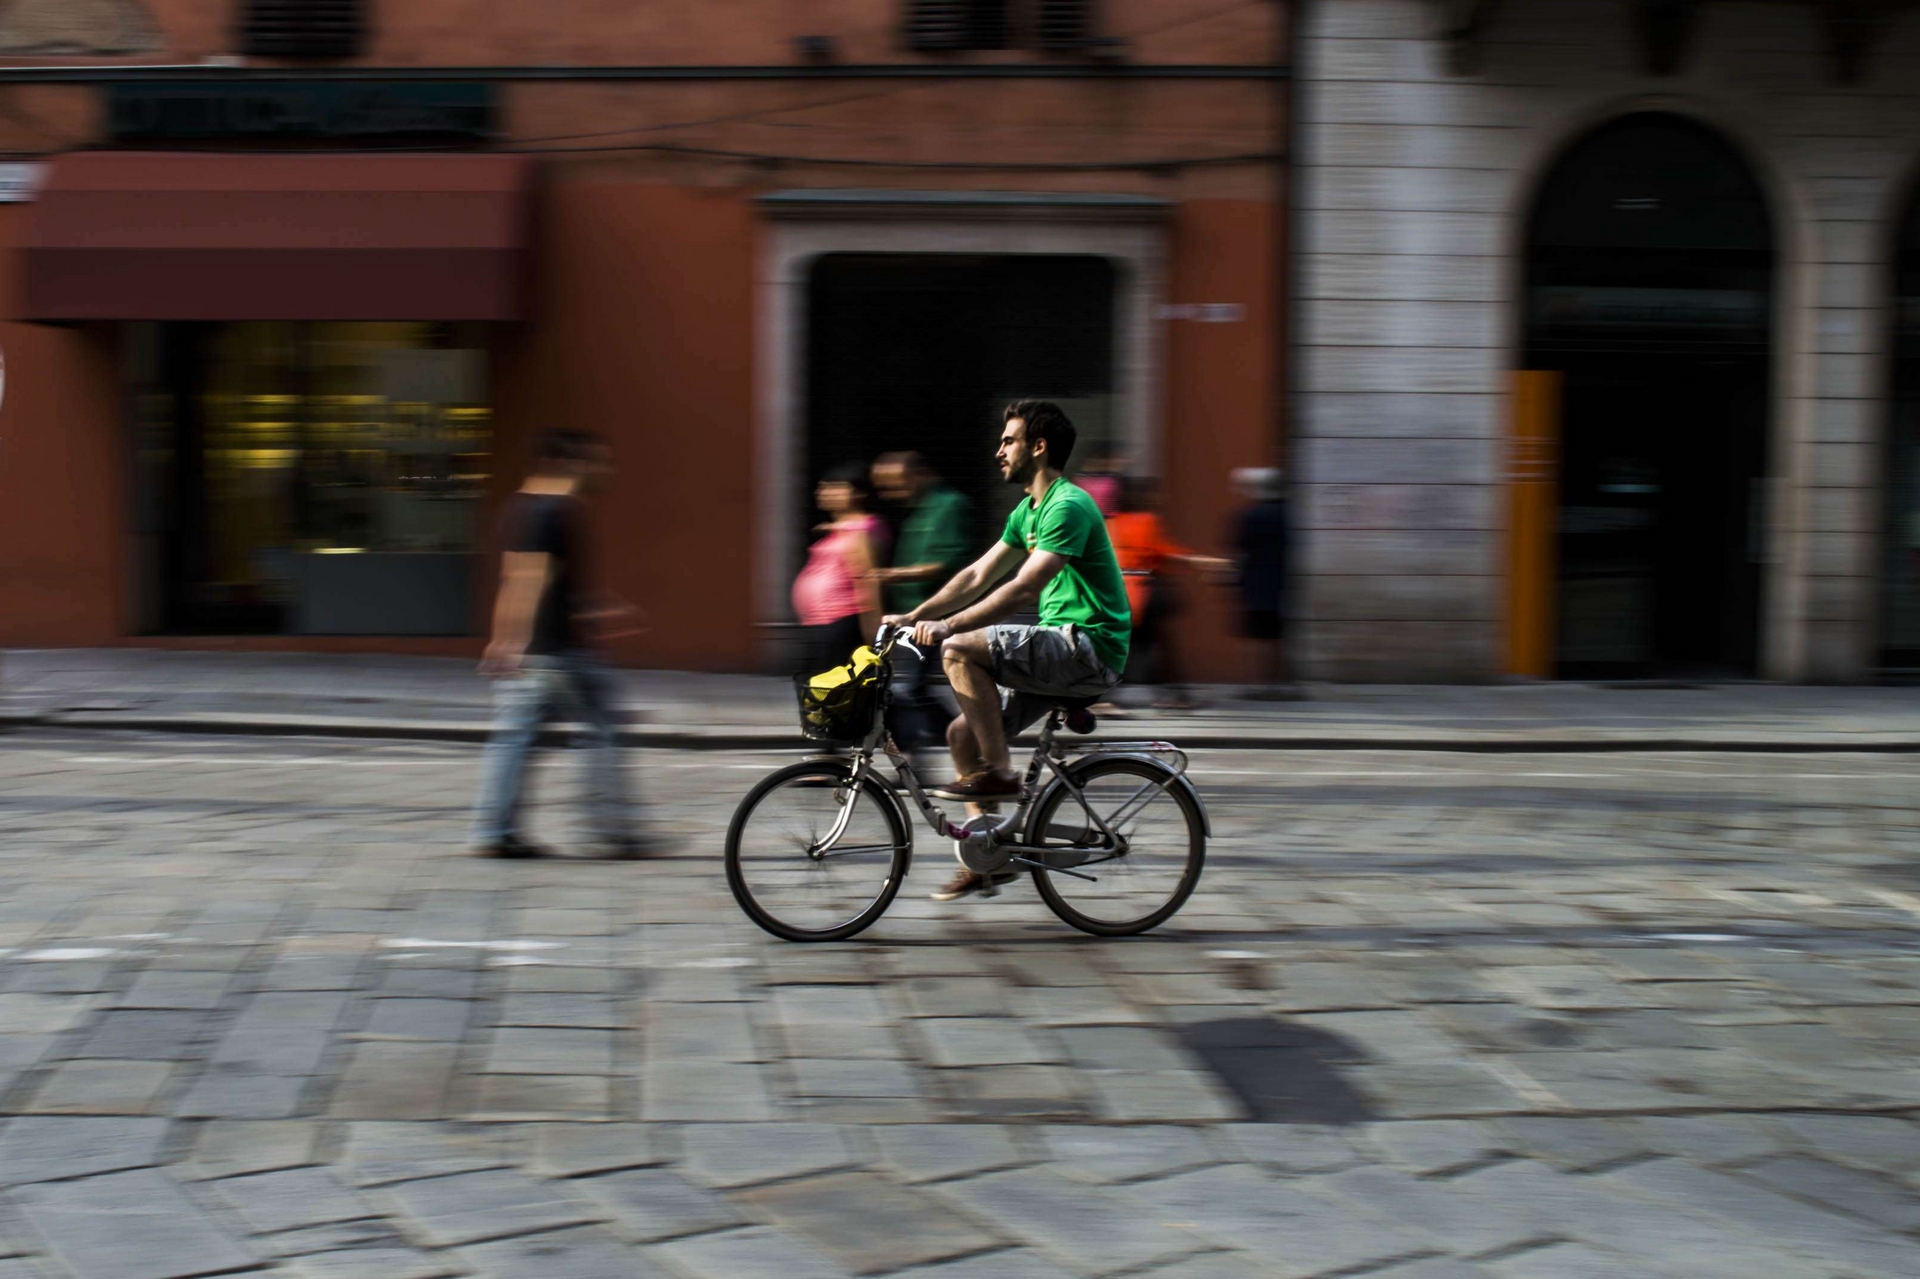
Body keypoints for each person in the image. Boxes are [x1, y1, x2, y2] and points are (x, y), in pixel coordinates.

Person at [883, 400, 1132, 902]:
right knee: (960, 735)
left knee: (958, 651)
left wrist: (947, 626)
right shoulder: (1029, 510)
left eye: (1009, 440)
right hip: (1062, 646)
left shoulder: (1068, 505)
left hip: (1087, 646)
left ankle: (1001, 775)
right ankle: (990, 856)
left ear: (1038, 448)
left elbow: (1022, 588)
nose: (998, 450)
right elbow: (977, 575)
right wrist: (914, 617)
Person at [472, 429, 645, 859]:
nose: (605, 470)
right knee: (603, 729)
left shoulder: (521, 506)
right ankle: (612, 829)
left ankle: (495, 830)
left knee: (513, 739)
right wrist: (511, 641)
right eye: (596, 461)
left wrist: (502, 640)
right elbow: (529, 579)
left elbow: (519, 577)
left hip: (540, 649)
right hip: (555, 653)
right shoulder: (554, 510)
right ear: (569, 463)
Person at [870, 451, 972, 751]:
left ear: (918, 474)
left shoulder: (949, 505)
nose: (891, 493)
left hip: (934, 617)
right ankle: (932, 756)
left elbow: (946, 563)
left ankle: (968, 742)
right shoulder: (917, 508)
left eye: (896, 484)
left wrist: (890, 575)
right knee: (908, 692)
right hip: (909, 619)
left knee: (911, 690)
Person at [1105, 475, 1231, 712]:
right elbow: (1166, 552)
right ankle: (1169, 696)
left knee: (1136, 646)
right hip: (1142, 593)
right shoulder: (1145, 521)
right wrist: (1206, 562)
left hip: (1118, 593)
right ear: (1141, 497)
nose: (1157, 498)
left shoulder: (1112, 523)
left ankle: (1163, 695)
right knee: (1152, 647)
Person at [792, 463, 888, 675]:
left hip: (841, 622)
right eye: (823, 487)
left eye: (836, 487)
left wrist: (874, 635)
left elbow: (868, 582)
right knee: (814, 689)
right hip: (819, 625)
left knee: (832, 691)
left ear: (859, 493)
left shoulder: (865, 527)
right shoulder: (837, 529)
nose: (825, 493)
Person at [1229, 466, 1294, 699]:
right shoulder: (1288, 514)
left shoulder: (1250, 515)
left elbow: (1238, 546)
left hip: (1253, 581)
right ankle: (1272, 682)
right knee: (1275, 636)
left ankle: (1253, 683)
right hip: (1280, 580)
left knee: (1253, 635)